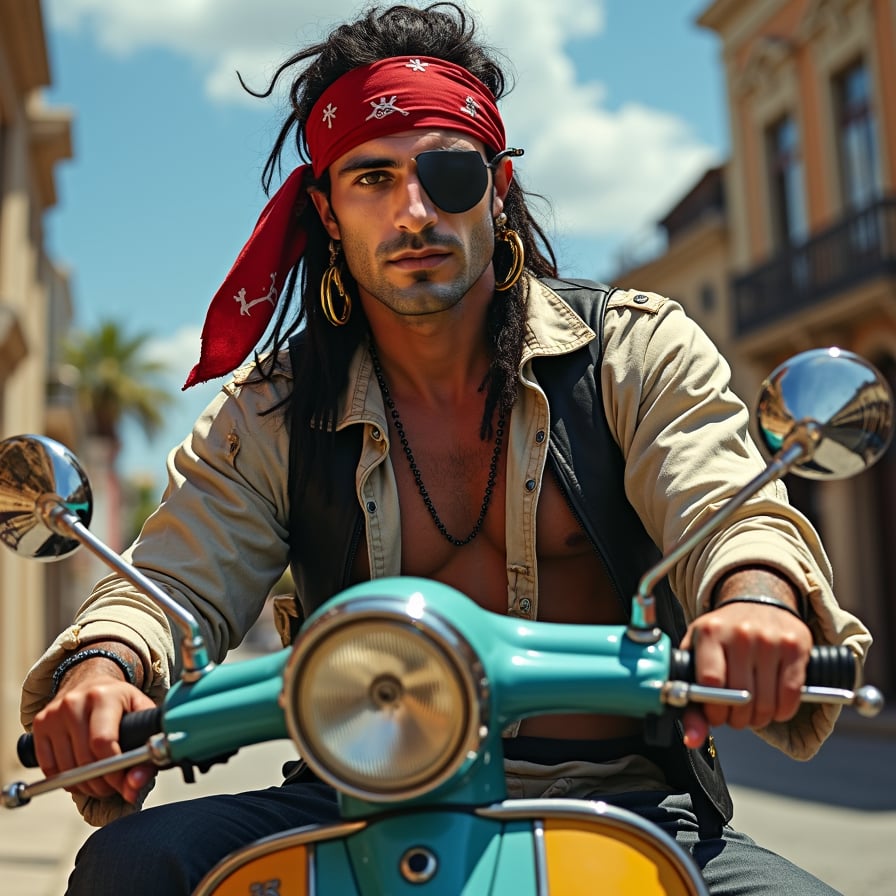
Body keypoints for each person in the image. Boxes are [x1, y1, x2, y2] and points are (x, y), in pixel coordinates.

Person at [20, 3, 869, 894]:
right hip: (354, 798)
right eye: (373, 178)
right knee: (130, 865)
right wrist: (105, 667)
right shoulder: (271, 409)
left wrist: (755, 602)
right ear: (327, 210)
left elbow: (726, 508)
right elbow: (176, 579)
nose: (414, 210)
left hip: (624, 802)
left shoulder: (632, 350)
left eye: (449, 173)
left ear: (498, 189)